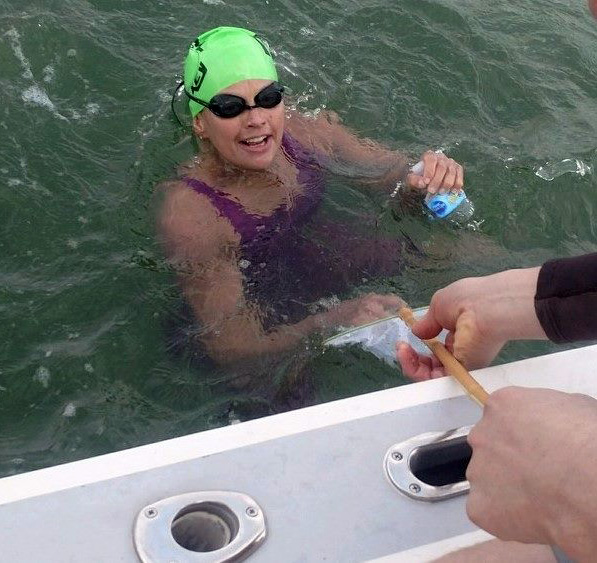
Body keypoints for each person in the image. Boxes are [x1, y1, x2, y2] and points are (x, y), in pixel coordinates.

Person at [158, 26, 465, 371]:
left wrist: (430, 176)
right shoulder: (194, 213)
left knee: (449, 252)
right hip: (249, 308)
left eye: (269, 97)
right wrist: (335, 319)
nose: (257, 119)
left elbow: (395, 178)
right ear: (200, 122)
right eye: (230, 107)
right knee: (277, 387)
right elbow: (232, 347)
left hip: (306, 254)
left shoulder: (306, 134)